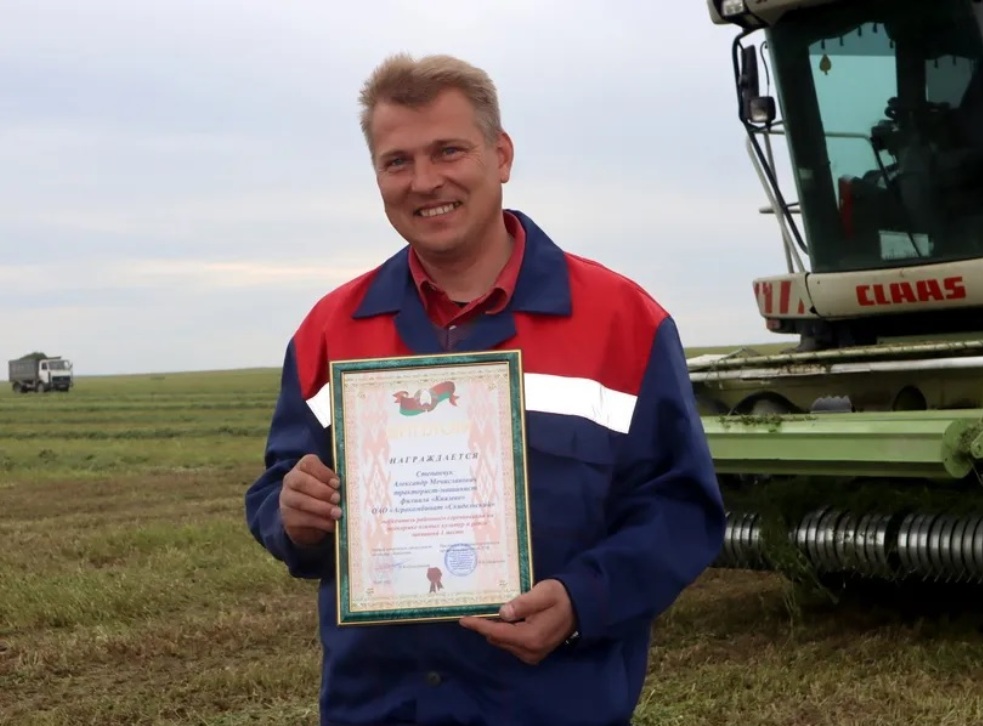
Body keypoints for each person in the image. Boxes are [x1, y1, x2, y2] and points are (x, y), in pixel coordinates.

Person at [244, 52, 726, 726]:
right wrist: (289, 516)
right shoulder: (330, 330)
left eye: (448, 151)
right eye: (397, 161)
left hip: (552, 705)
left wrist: (582, 601)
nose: (425, 181)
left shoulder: (623, 322)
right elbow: (277, 491)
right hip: (379, 708)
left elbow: (680, 509)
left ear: (500, 155)